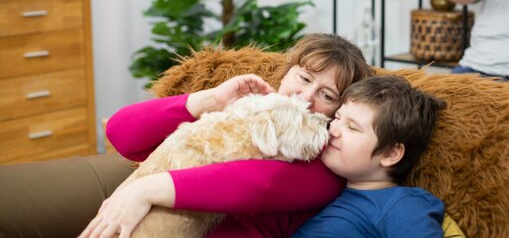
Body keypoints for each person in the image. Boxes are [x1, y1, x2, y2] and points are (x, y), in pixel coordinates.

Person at [79, 33, 373, 238]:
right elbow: (121, 134)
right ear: (285, 74)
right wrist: (210, 100)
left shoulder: (326, 161)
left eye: (327, 95)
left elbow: (261, 185)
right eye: (304, 78)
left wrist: (143, 190)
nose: (306, 97)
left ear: (340, 110)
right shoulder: (237, 116)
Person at [293, 75, 446, 237]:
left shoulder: (400, 205)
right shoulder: (328, 189)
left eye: (352, 127)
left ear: (390, 154)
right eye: (337, 117)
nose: (333, 129)